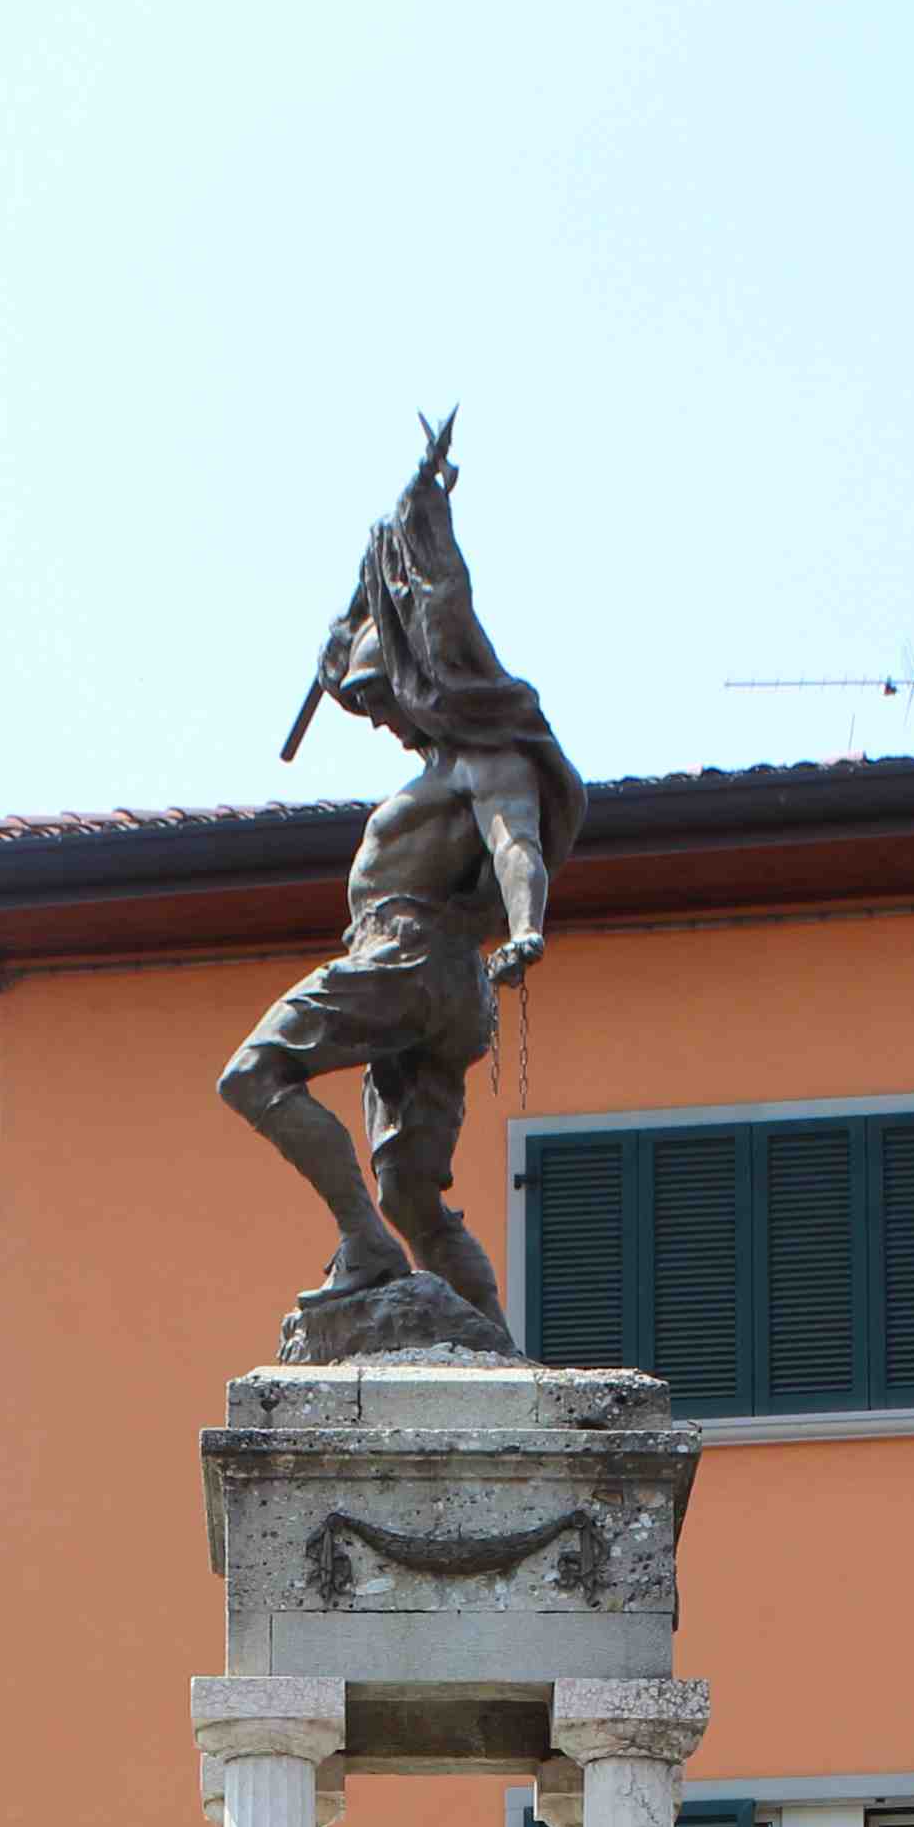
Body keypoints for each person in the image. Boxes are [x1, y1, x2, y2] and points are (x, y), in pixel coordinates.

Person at [221, 418, 585, 1343]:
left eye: (382, 699)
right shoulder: (443, 769)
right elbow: (362, 657)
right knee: (414, 1194)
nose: (378, 718)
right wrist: (342, 645)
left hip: (411, 955)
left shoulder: (482, 759)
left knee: (255, 1073)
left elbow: (517, 845)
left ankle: (360, 1241)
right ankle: (497, 1352)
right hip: (445, 989)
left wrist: (528, 923)